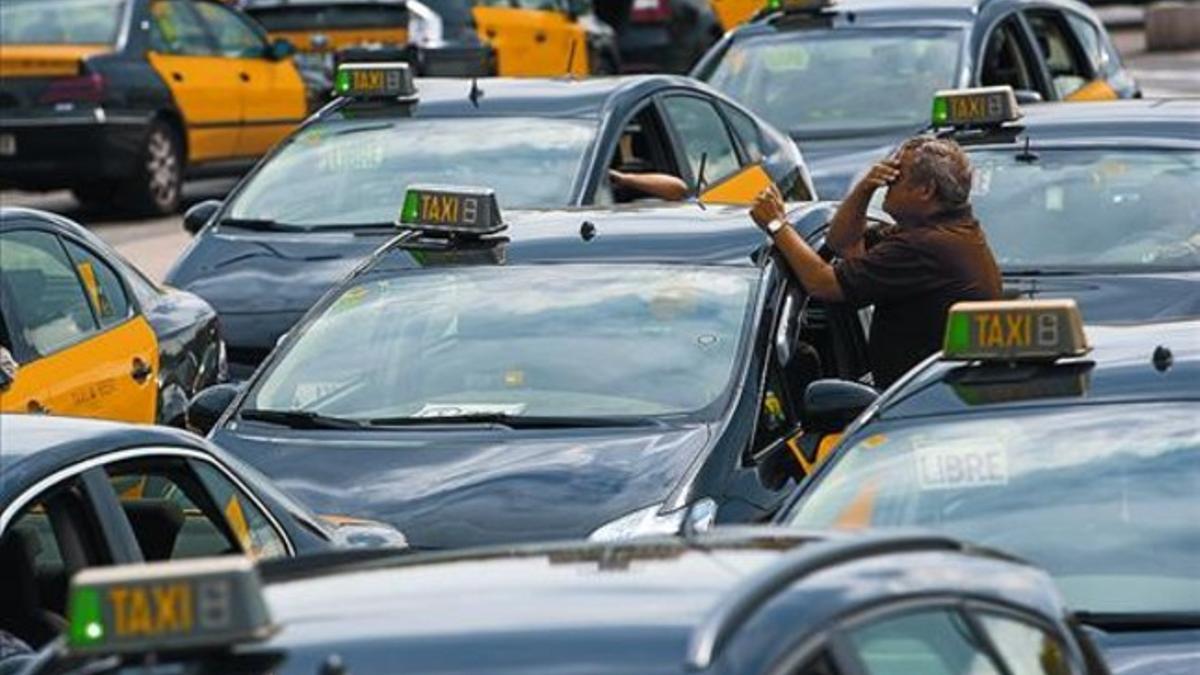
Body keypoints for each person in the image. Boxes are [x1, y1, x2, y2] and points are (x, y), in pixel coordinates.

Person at [750, 135, 1002, 389]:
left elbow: (825, 284)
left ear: (925, 191)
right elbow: (843, 243)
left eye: (895, 178)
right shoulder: (945, 232)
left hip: (923, 402)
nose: (886, 184)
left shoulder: (927, 246)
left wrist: (777, 225)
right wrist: (865, 188)